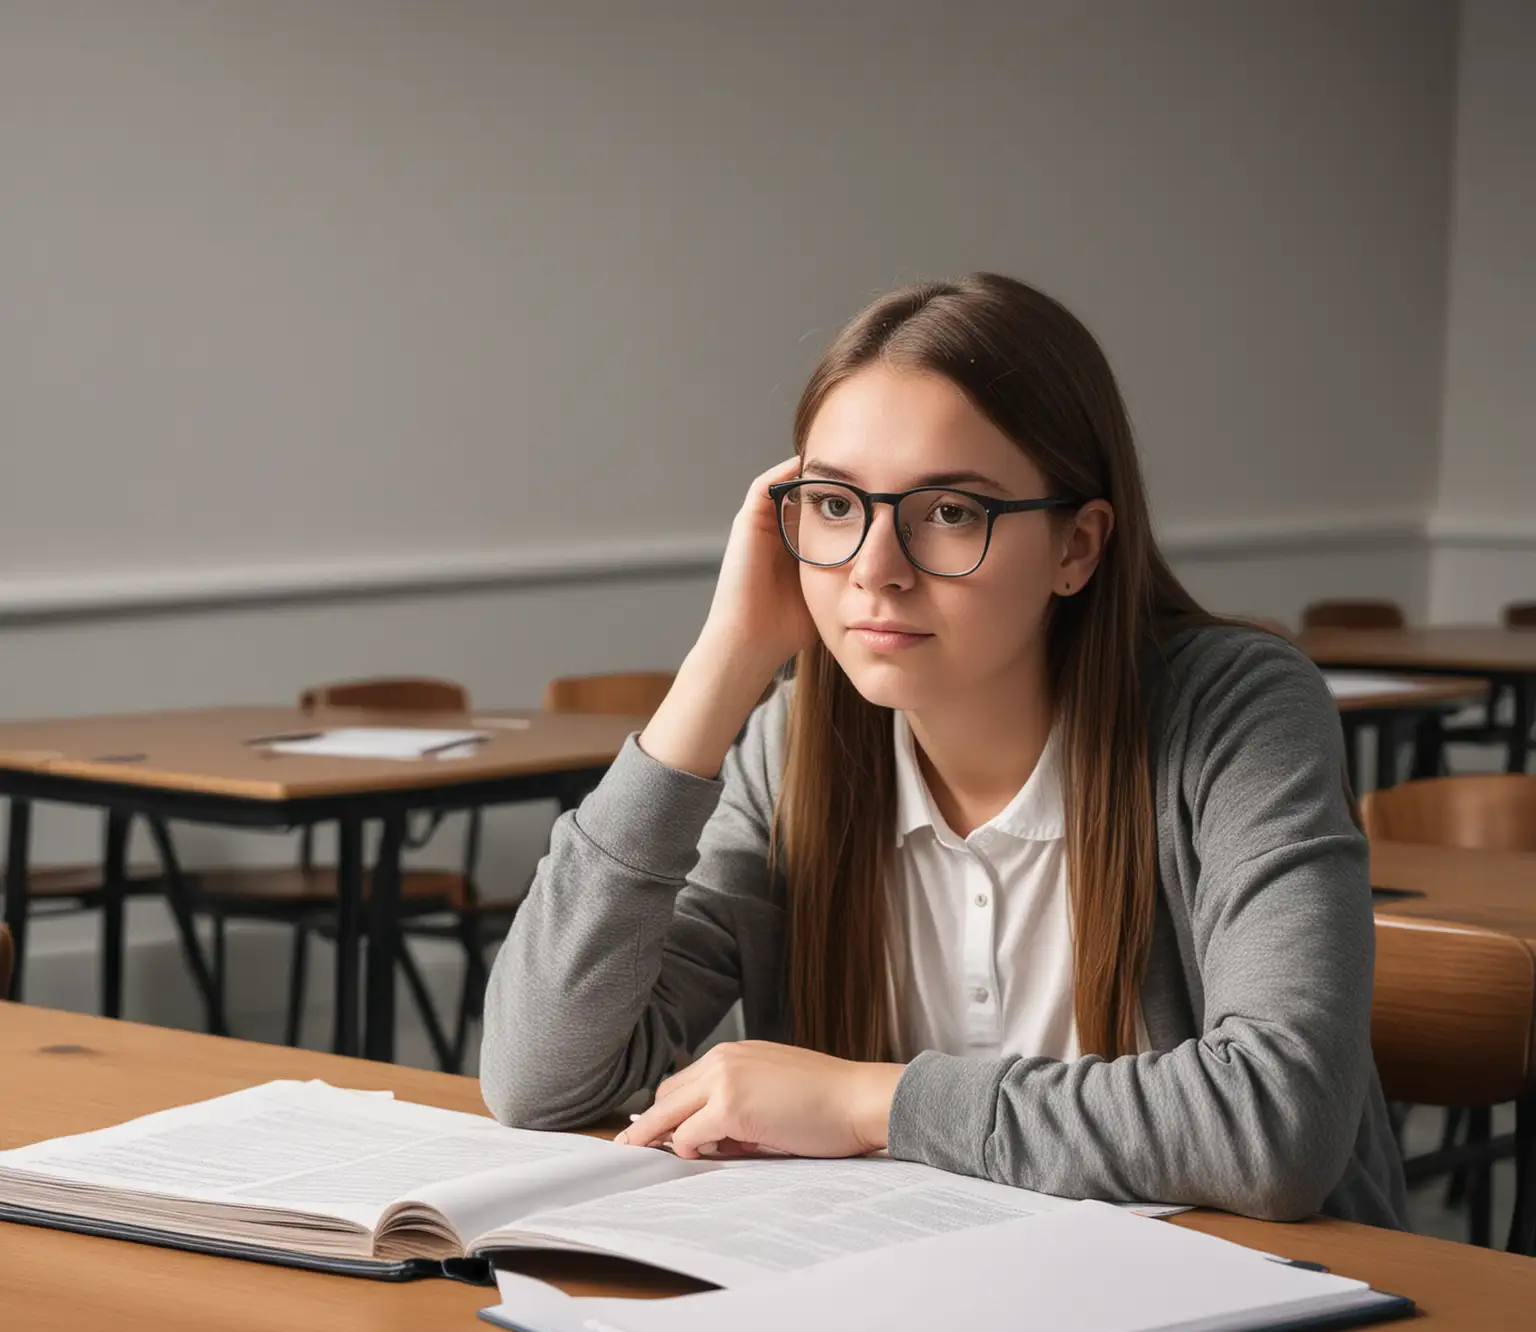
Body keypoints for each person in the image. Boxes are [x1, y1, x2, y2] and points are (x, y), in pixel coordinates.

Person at [480, 272, 1407, 1227]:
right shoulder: (795, 744)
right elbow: (540, 1078)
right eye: (836, 506)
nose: (875, 570)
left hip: (1260, 1324)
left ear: (1076, 549)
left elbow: (1276, 1125)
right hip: (909, 1305)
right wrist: (724, 664)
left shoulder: (1236, 711)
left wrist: (863, 1102)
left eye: (951, 512)